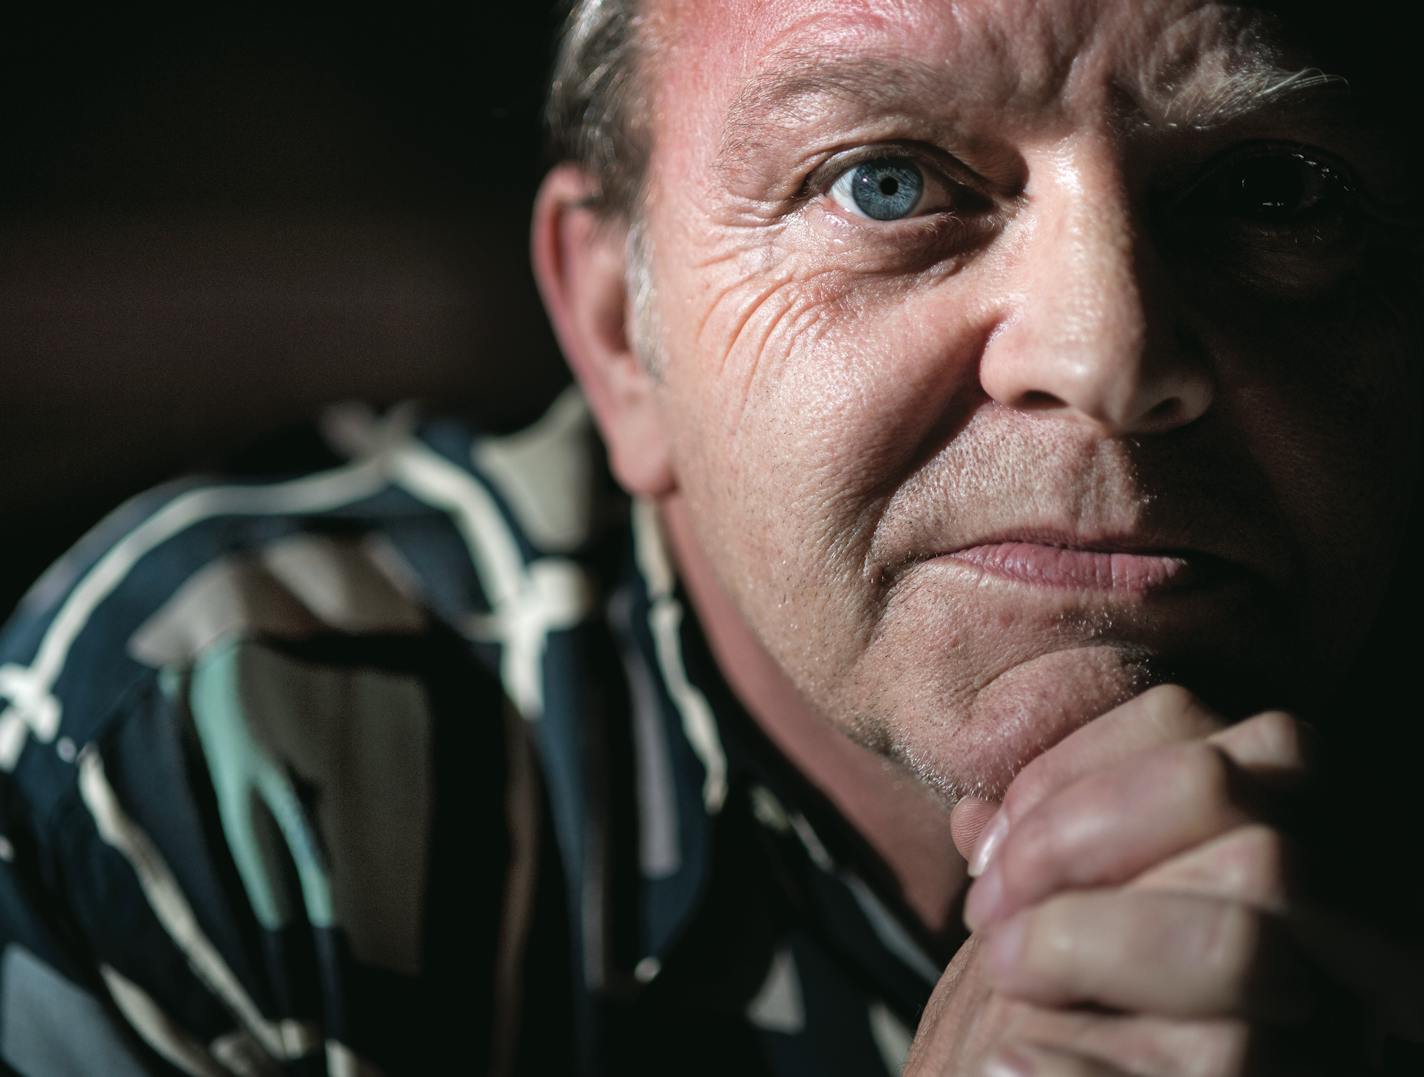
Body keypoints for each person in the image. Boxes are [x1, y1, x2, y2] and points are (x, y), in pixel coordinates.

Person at [0, 0, 1419, 1073]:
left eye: (1274, 191)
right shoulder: (206, 750)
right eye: (889, 181)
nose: (1109, 354)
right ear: (623, 334)